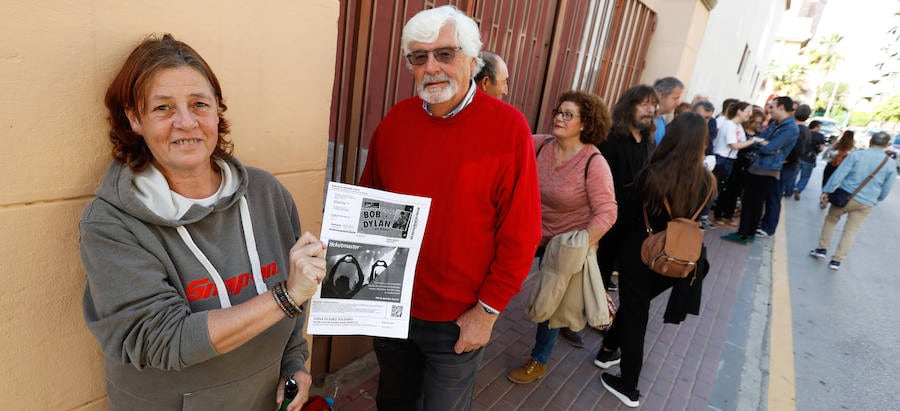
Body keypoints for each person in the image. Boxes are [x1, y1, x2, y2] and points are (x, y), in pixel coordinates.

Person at [79, 34, 326, 411]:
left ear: (217, 111)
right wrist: (285, 297)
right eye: (162, 108)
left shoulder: (266, 193)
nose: (185, 122)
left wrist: (295, 362)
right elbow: (162, 339)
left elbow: (297, 295)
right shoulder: (112, 222)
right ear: (134, 118)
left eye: (199, 104)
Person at [357, 6, 542, 410]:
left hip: (459, 320)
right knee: (393, 402)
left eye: (445, 54)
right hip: (393, 307)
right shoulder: (396, 121)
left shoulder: (508, 128)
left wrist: (487, 313)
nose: (432, 68)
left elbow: (522, 232)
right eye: (419, 57)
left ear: (473, 61)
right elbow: (369, 204)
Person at [593, 112, 716, 408]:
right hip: (679, 259)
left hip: (641, 253)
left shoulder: (653, 173)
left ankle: (628, 385)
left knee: (636, 314)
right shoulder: (708, 180)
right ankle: (608, 349)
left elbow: (627, 214)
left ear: (672, 136)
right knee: (636, 306)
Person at [506, 91, 617, 384]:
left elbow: (607, 212)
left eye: (568, 114)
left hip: (565, 243)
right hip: (530, 231)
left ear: (585, 123)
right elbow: (503, 152)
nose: (559, 117)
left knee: (550, 303)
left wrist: (581, 241)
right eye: (559, 111)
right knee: (500, 275)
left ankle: (539, 360)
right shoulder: (539, 144)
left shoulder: (594, 162)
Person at [595, 85, 659, 293]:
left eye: (653, 105)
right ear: (628, 107)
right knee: (599, 265)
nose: (650, 110)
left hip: (636, 219)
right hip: (610, 217)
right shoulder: (610, 139)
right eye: (644, 104)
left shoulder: (648, 140)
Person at [810, 131, 896, 270]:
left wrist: (827, 191)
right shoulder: (890, 164)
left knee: (831, 220)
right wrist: (877, 198)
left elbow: (840, 174)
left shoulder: (856, 155)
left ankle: (821, 250)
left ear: (870, 142)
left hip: (845, 196)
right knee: (851, 231)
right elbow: (886, 188)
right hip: (867, 202)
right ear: (887, 145)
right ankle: (836, 261)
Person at [721, 96, 799, 244]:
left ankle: (745, 234)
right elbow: (760, 140)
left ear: (781, 107)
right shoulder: (776, 123)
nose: (770, 110)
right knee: (749, 201)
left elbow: (769, 147)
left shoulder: (790, 128)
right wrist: (761, 143)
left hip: (767, 169)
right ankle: (745, 232)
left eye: (773, 107)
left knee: (754, 203)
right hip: (757, 166)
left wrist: (763, 144)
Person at [758, 103, 811, 237]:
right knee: (773, 196)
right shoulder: (798, 128)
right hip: (786, 166)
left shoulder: (795, 129)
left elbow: (797, 151)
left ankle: (768, 228)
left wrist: (781, 158)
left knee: (774, 196)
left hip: (786, 167)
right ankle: (766, 225)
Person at [714, 109, 766, 227]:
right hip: (736, 163)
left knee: (736, 192)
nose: (757, 125)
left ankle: (728, 215)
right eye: (756, 122)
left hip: (747, 167)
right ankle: (719, 214)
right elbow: (737, 146)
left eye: (760, 123)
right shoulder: (740, 130)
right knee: (727, 190)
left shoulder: (757, 135)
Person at [793, 119, 827, 199]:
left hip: (799, 156)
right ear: (816, 127)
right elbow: (822, 148)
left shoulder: (804, 132)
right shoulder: (820, 136)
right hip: (810, 158)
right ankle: (798, 188)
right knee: (805, 176)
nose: (820, 128)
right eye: (819, 127)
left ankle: (789, 189)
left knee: (794, 174)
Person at [652, 76, 685, 145]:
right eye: (675, 98)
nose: (678, 103)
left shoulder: (661, 119)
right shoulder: (646, 120)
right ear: (660, 95)